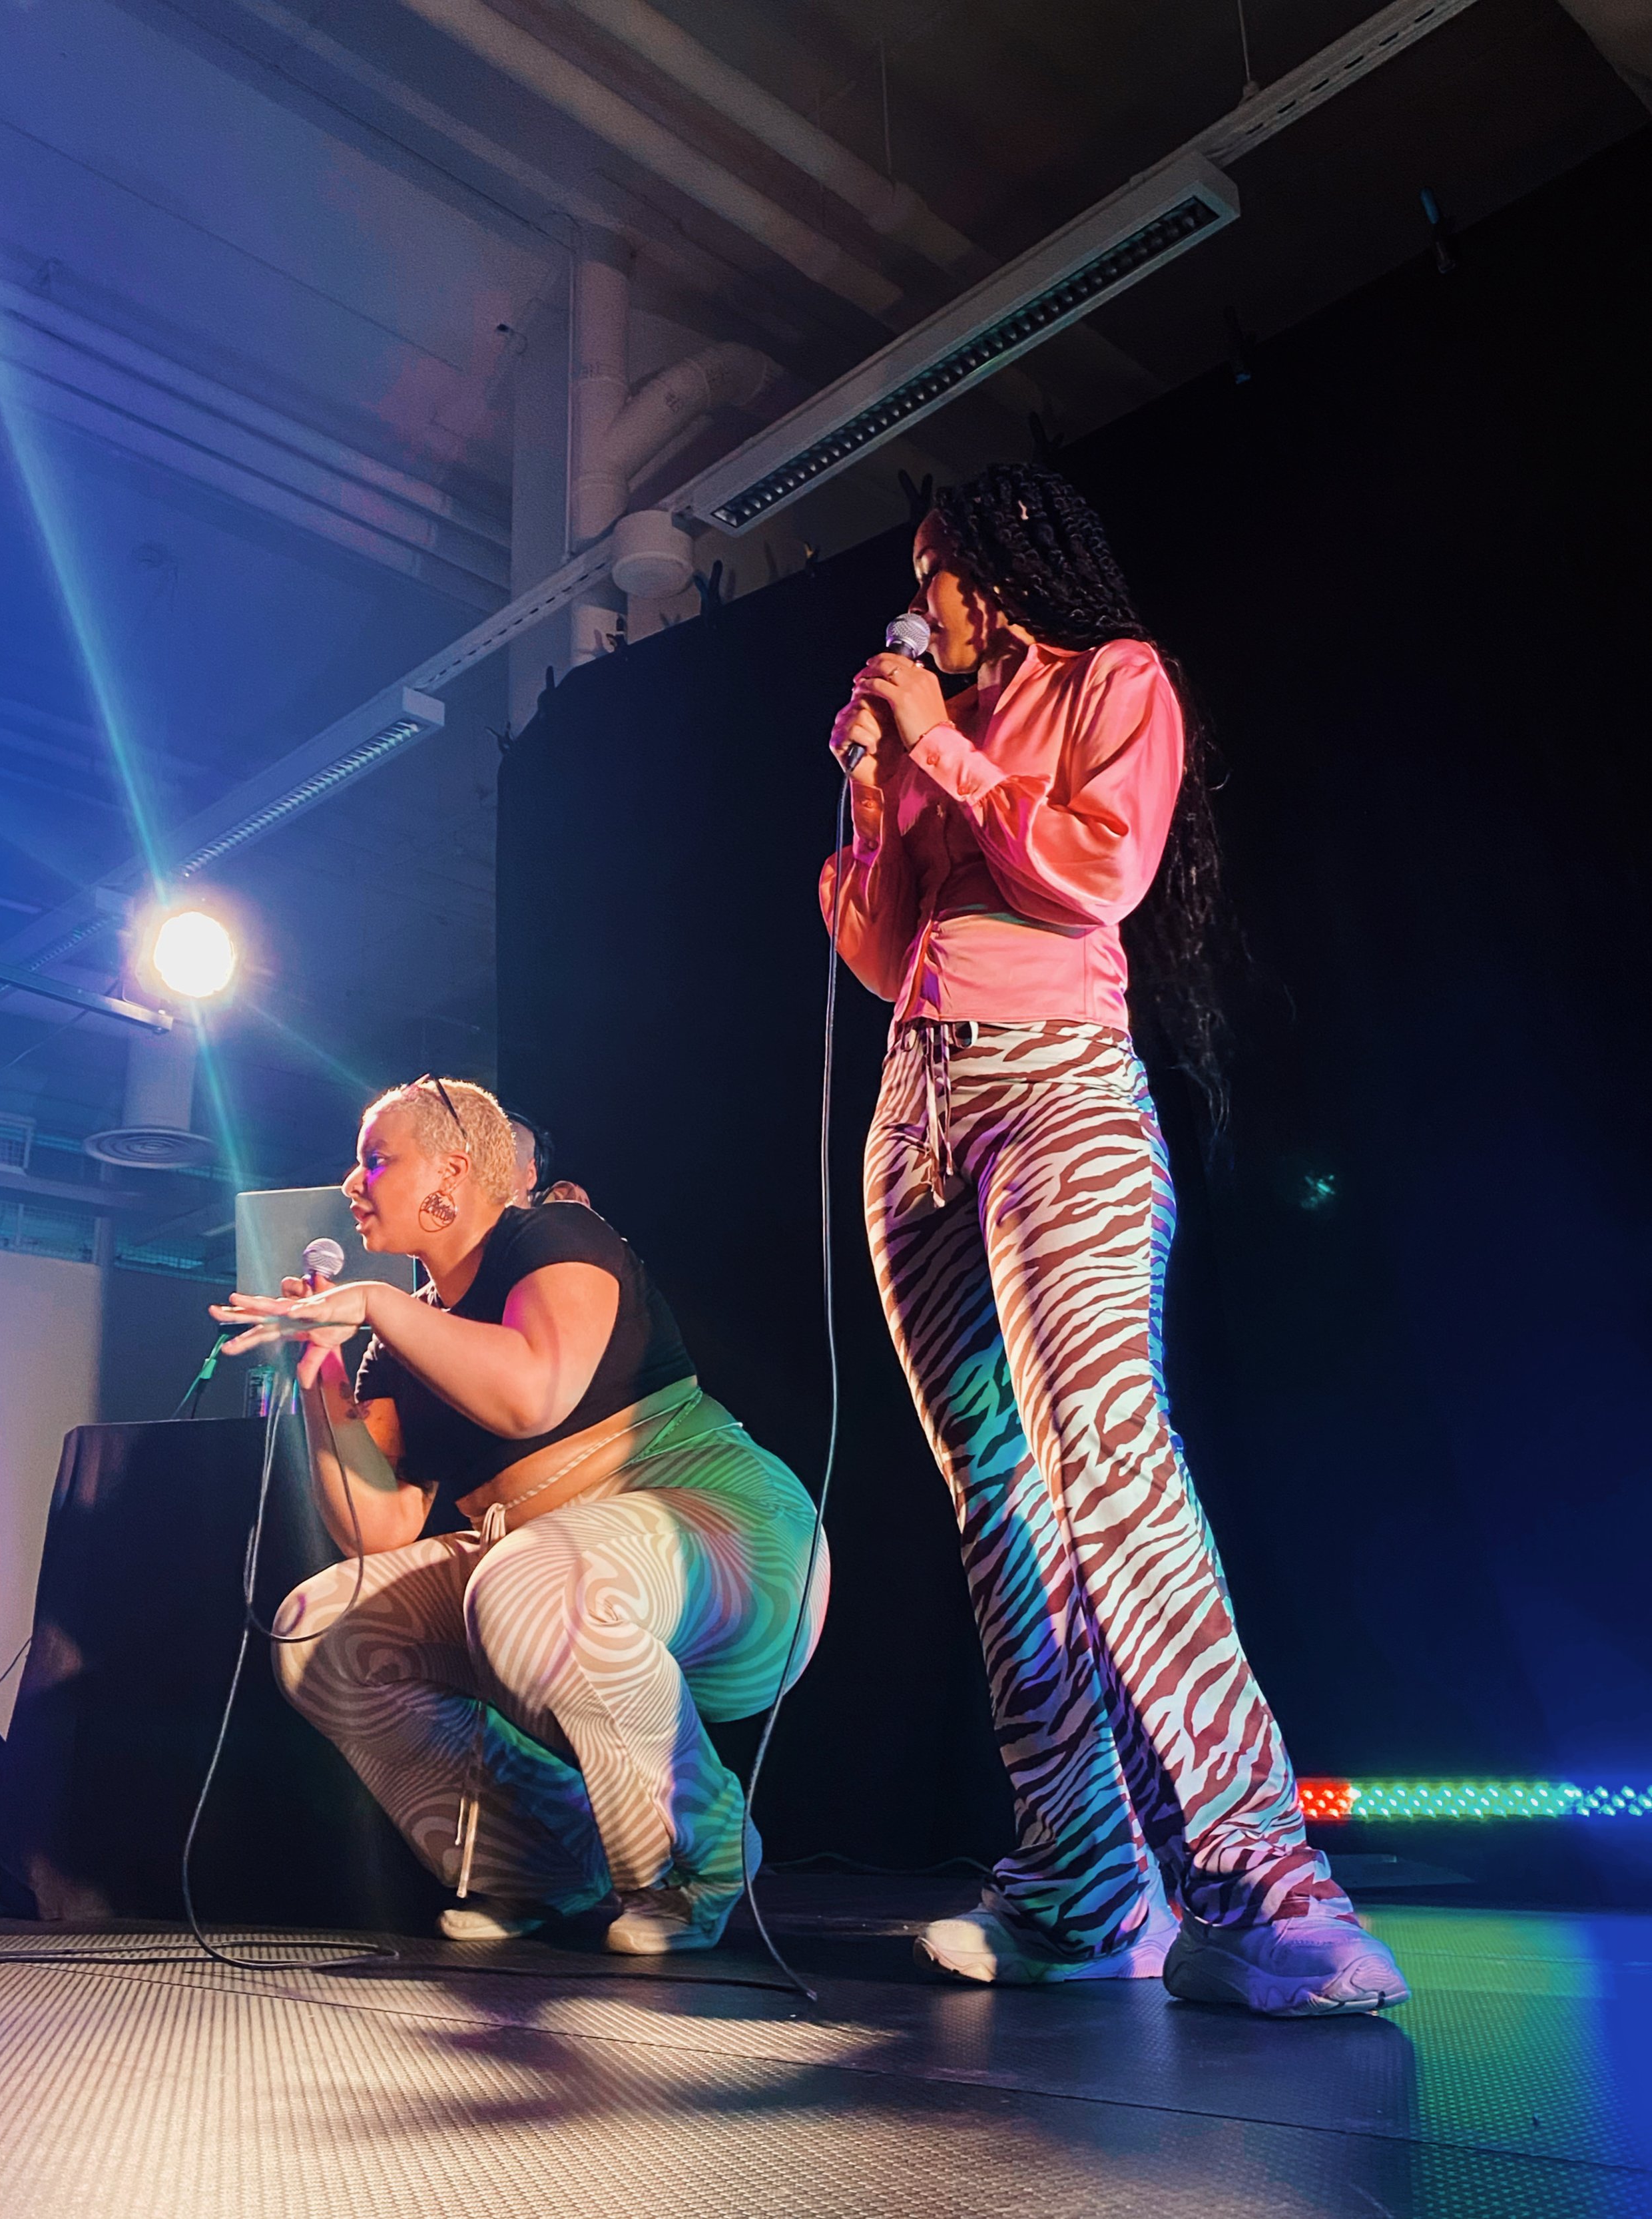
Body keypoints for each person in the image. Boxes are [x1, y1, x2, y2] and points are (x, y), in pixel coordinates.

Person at [821, 462, 1406, 2015]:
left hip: (1057, 1096)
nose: (920, 606)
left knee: (1107, 1462)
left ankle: (1264, 1884)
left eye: (929, 575)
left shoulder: (1113, 682)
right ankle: (1082, 1884)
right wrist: (879, 783)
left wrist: (938, 744)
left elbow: (1095, 868)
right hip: (915, 1119)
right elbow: (881, 952)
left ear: (982, 571)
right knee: (995, 1503)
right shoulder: (925, 729)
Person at [212, 1077, 827, 1953]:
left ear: (451, 1174)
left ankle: (699, 1856)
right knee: (320, 1628)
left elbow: (533, 1392)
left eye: (376, 1160)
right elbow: (375, 1528)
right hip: (545, 1574)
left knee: (530, 1580)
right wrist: (322, 1380)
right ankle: (544, 1858)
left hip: (741, 1549)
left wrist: (380, 1303)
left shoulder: (556, 1237)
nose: (354, 1183)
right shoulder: (401, 1345)